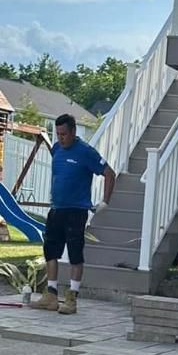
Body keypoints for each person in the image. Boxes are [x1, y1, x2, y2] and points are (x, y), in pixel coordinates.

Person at [30, 113, 116, 314]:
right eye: (58, 134)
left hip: (76, 211)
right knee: (50, 250)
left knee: (75, 253)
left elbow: (109, 173)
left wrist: (105, 201)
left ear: (74, 132)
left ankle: (72, 297)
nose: (61, 138)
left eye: (64, 134)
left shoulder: (86, 152)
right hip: (57, 209)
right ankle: (51, 294)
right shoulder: (57, 149)